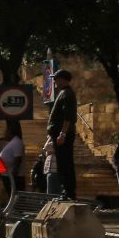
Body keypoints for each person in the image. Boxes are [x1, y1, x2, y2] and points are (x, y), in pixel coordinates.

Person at [48, 69, 79, 200]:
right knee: (62, 164)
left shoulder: (67, 94)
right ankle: (66, 192)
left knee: (65, 164)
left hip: (63, 136)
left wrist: (62, 134)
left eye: (56, 78)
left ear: (63, 79)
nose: (54, 81)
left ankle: (68, 193)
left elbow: (69, 117)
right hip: (59, 135)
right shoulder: (63, 93)